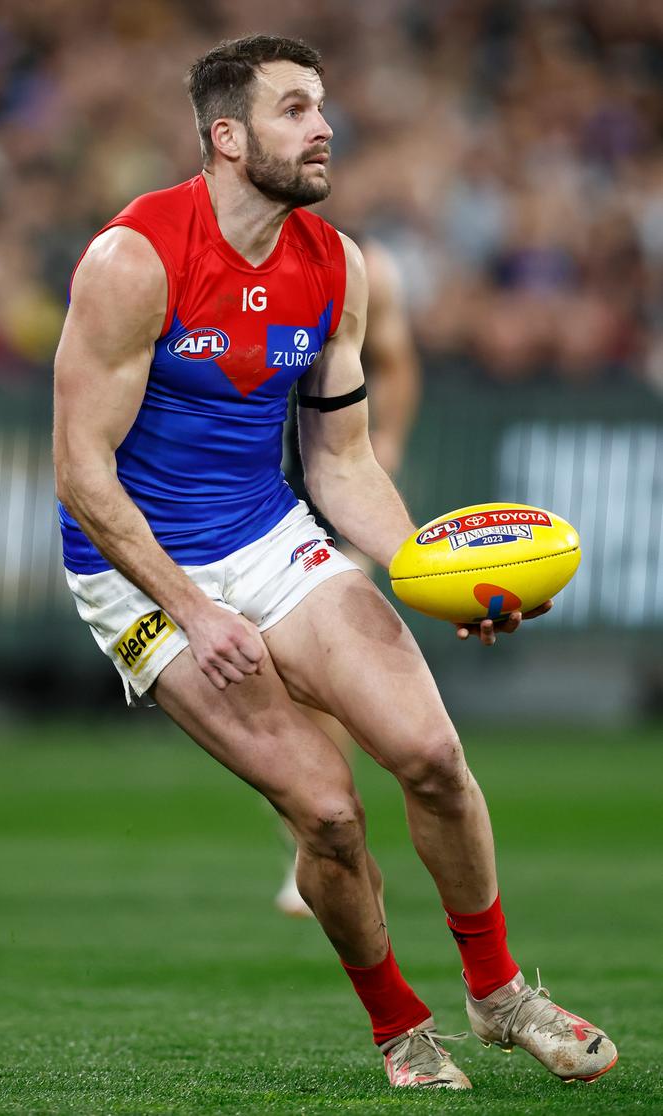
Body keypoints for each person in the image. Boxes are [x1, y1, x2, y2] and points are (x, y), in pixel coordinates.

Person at [53, 35, 617, 1090]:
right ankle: (402, 1028)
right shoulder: (134, 260)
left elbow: (340, 461)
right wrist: (190, 612)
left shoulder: (337, 265)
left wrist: (430, 570)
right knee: (324, 811)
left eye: (323, 106)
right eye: (295, 108)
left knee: (434, 757)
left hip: (267, 537)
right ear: (227, 138)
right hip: (135, 573)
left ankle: (499, 996)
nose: (324, 127)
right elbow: (82, 475)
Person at [275, 238, 420, 917]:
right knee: (281, 681)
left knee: (333, 667)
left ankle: (333, 832)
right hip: (260, 488)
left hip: (332, 478)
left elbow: (394, 362)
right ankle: (313, 835)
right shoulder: (234, 259)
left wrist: (384, 439)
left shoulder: (362, 266)